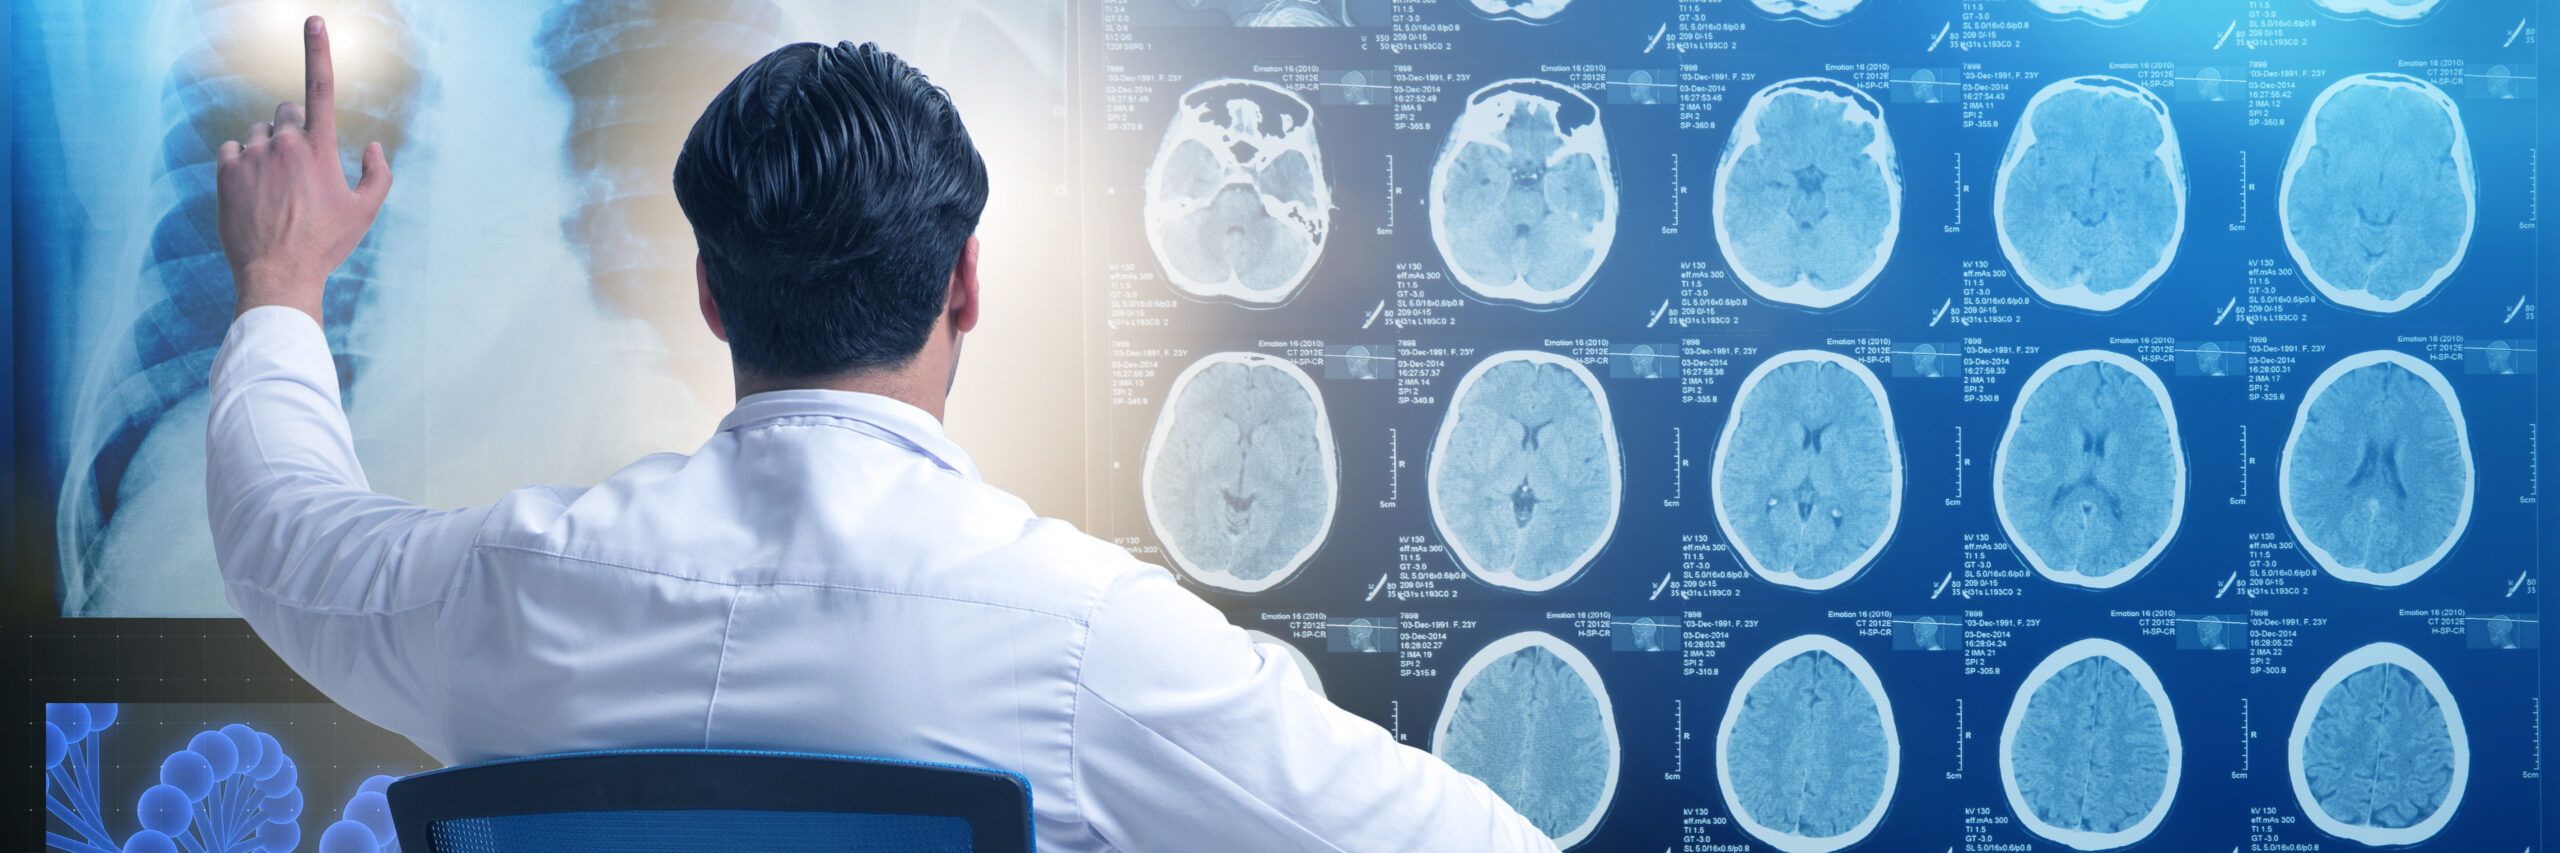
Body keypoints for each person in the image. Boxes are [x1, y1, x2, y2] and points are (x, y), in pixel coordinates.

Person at [206, 17, 1554, 851]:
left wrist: (282, 281)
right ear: (965, 283)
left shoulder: (506, 588)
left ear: (709, 295)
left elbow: (281, 537)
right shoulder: (1088, 642)